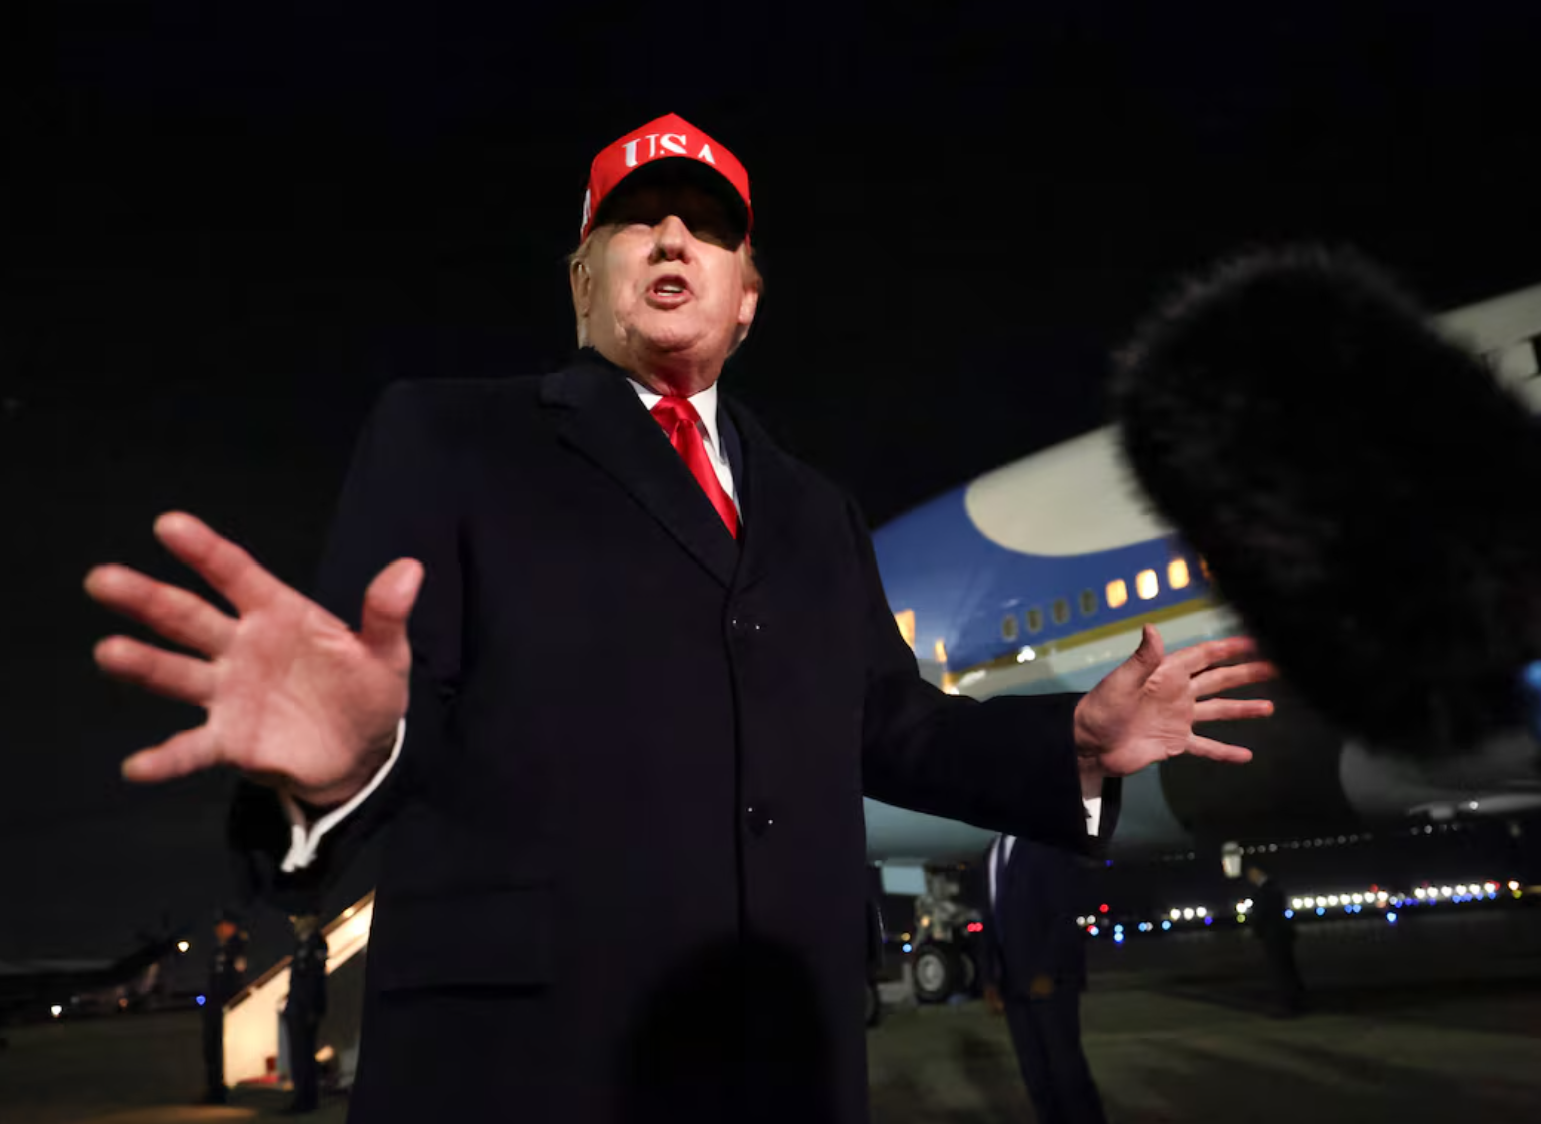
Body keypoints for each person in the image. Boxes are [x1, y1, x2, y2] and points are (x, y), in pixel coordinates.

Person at [83, 112, 1277, 1124]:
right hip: (524, 1064)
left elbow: (888, 722)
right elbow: (393, 691)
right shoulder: (447, 437)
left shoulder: (814, 509)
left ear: (745, 298)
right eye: (635, 221)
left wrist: (1068, 741)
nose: (670, 239)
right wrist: (341, 767)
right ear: (580, 281)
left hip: (784, 1055)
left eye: (706, 228)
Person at [982, 834, 1107, 1124]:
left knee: (1068, 1078)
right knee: (1036, 1079)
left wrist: (1048, 972)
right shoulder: (990, 853)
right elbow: (988, 919)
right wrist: (988, 979)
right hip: (1013, 987)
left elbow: (1065, 914)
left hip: (1050, 984)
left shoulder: (1045, 844)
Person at [283, 913, 330, 1113]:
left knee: (304, 1056)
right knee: (299, 1056)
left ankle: (306, 1099)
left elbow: (315, 977)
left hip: (305, 1009)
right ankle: (302, 1097)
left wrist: (312, 1008)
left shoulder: (316, 943)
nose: (295, 923)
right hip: (297, 1007)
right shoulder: (301, 944)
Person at [201, 909, 248, 1104]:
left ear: (231, 927)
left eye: (222, 926)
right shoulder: (219, 950)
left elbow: (236, 979)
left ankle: (219, 1092)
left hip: (225, 1006)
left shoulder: (237, 948)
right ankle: (213, 1089)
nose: (218, 930)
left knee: (220, 1050)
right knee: (210, 1049)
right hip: (213, 1006)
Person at [1246, 864, 1305, 1015]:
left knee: (1279, 970)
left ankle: (1286, 1003)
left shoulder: (1264, 891)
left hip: (1272, 934)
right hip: (1281, 932)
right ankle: (1294, 1001)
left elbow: (1262, 913)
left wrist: (1257, 929)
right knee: (1287, 968)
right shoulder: (1275, 888)